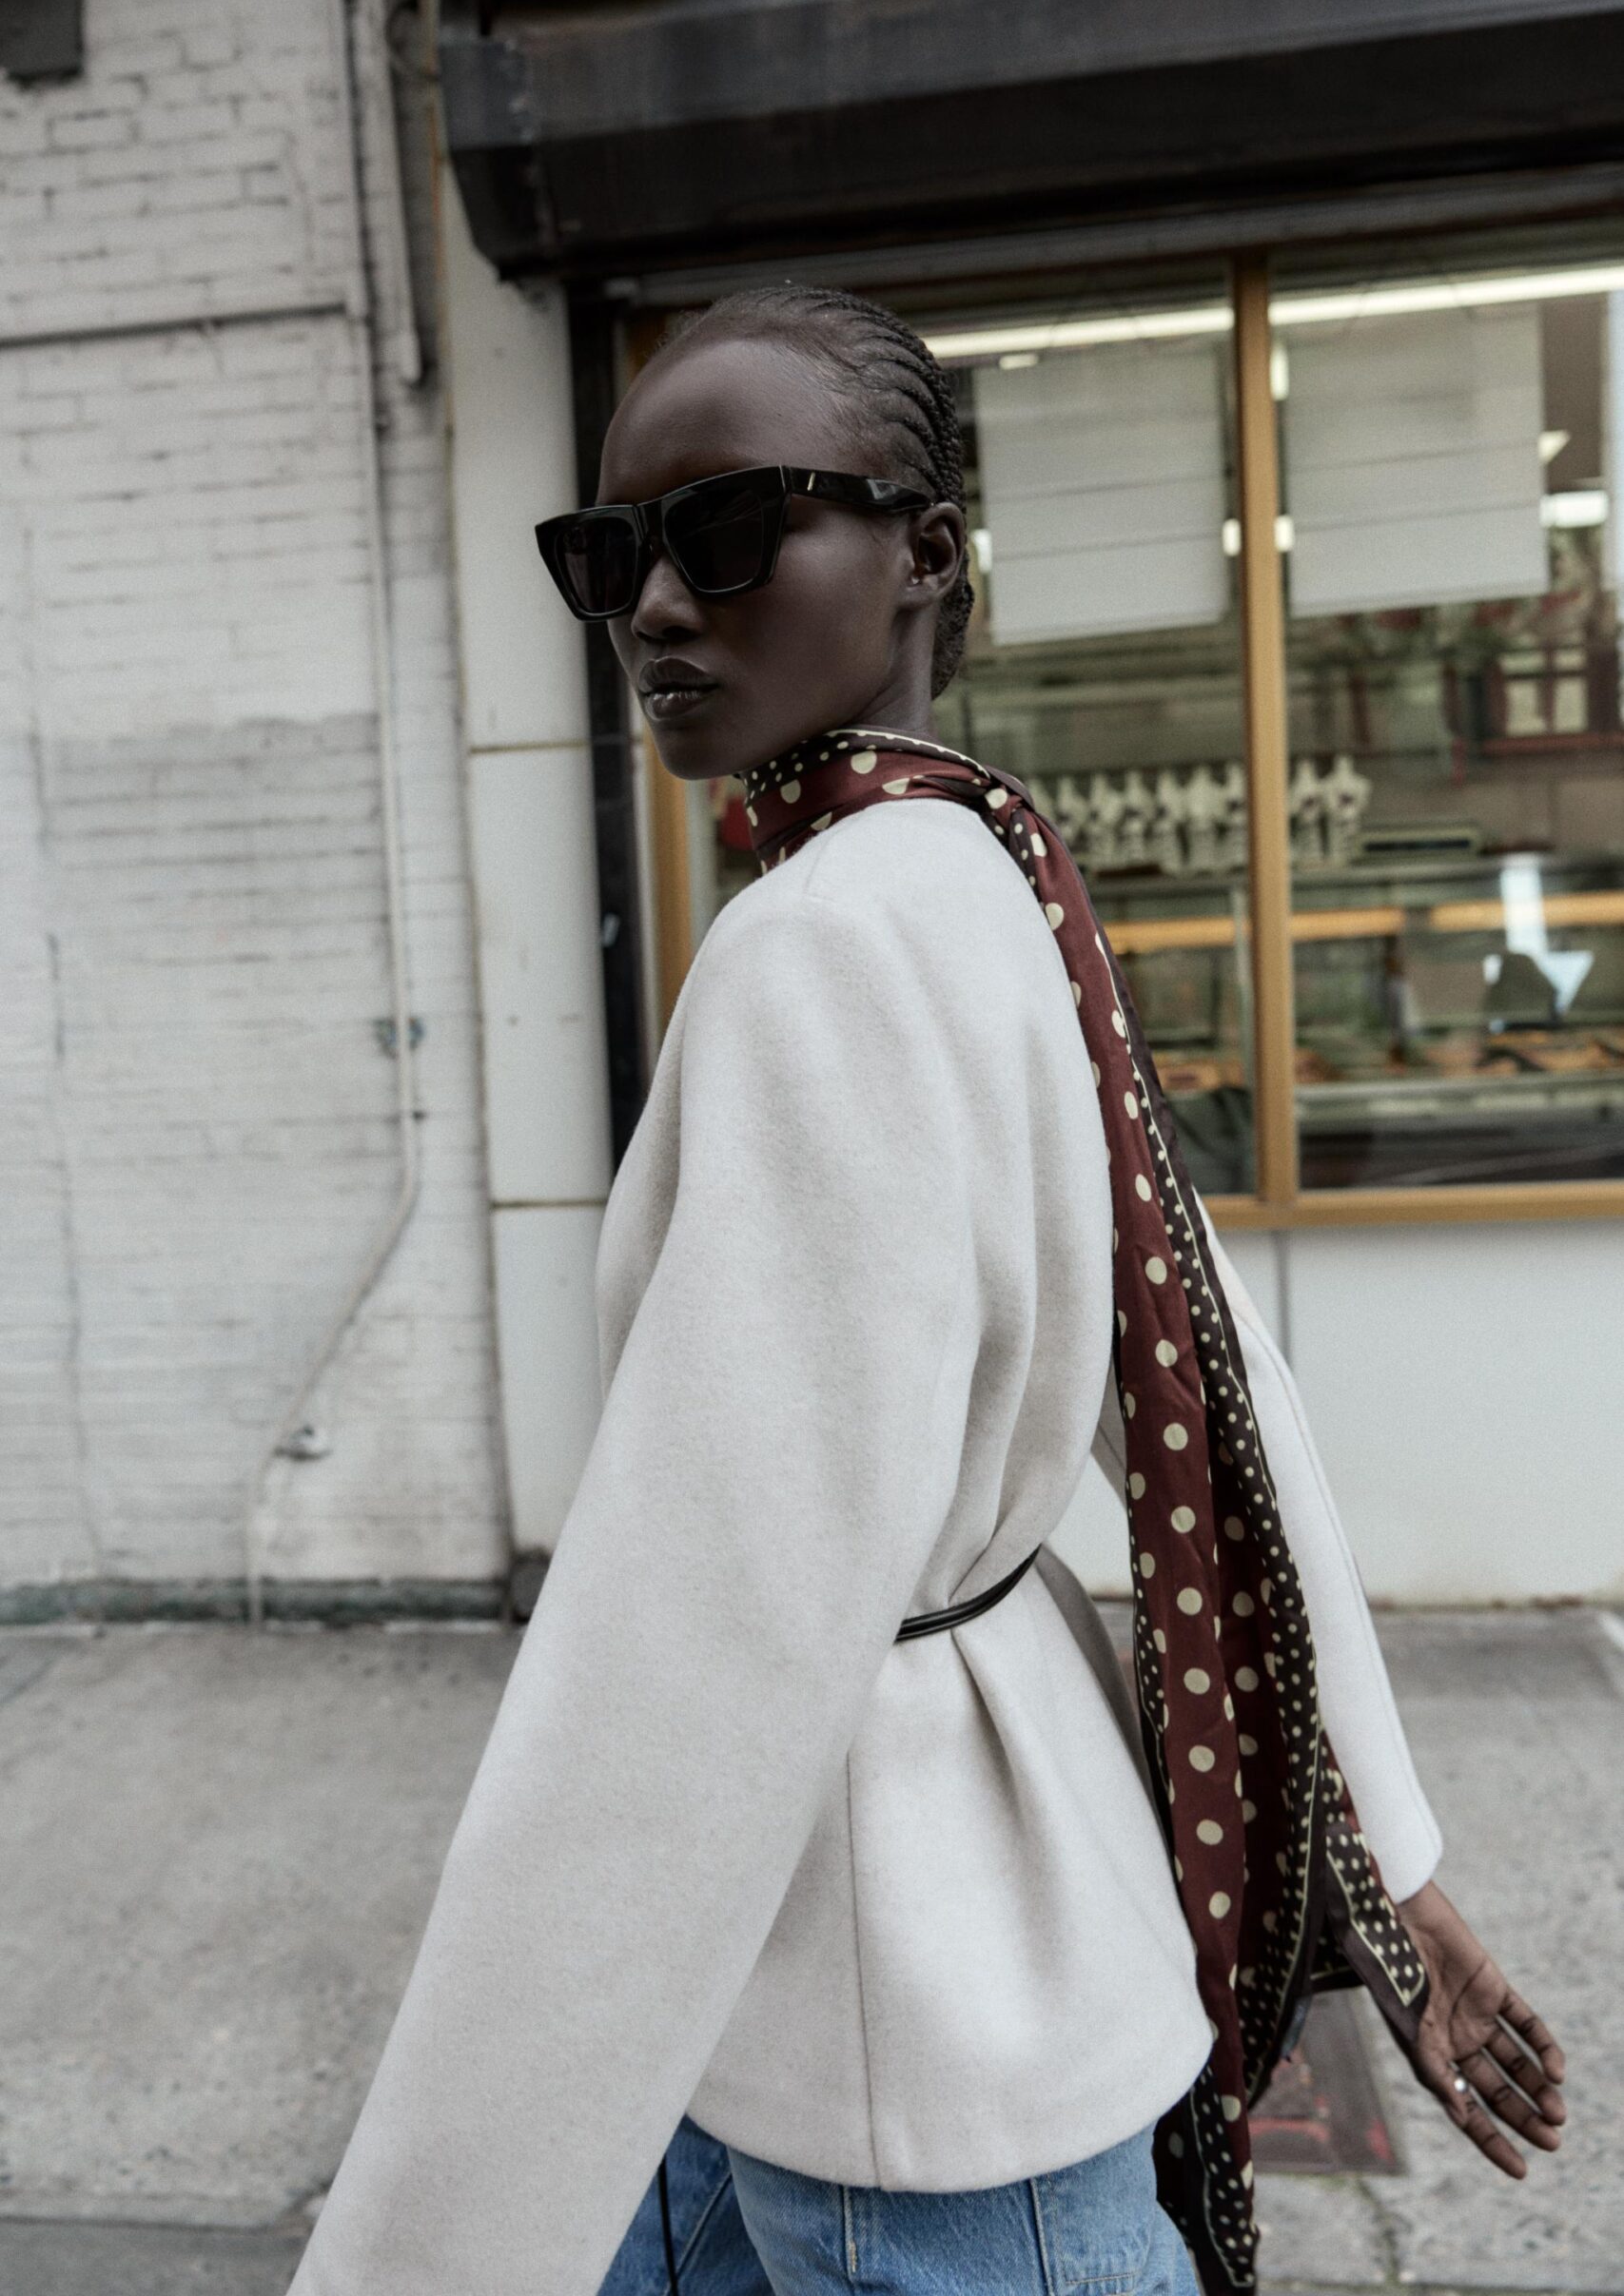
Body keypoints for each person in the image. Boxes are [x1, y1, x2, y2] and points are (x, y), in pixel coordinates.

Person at [286, 286, 1566, 2296]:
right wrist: (1379, 1850)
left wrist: (423, 2230)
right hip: (923, 1965)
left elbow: (696, 1634)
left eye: (730, 531)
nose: (654, 607)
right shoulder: (983, 871)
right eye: (610, 556)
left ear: (925, 552)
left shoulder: (824, 942)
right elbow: (1210, 1382)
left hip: (899, 2013)